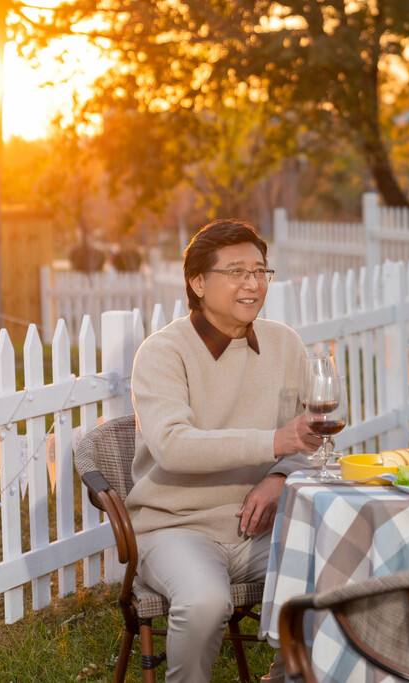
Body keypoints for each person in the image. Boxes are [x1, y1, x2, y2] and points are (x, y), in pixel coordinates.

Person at [127, 219, 322, 683]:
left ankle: (289, 677)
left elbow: (312, 434)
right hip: (176, 526)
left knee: (341, 570)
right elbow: (174, 447)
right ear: (198, 282)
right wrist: (275, 442)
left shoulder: (284, 342)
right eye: (236, 272)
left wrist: (280, 475)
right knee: (205, 601)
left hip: (262, 526)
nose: (253, 284)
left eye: (260, 271)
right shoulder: (163, 353)